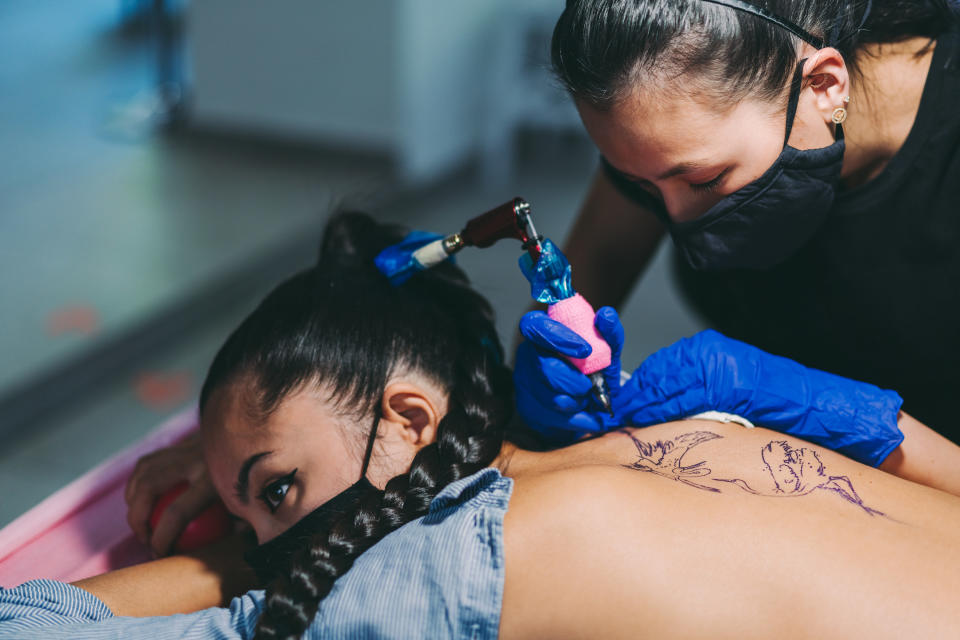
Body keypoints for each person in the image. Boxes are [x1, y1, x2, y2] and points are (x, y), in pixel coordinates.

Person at [4, 213, 960, 640]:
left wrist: (242, 563)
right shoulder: (695, 432)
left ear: (411, 417)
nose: (274, 543)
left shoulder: (462, 566)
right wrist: (266, 484)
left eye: (279, 490)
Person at [516, 0, 960, 444]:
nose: (674, 218)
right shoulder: (664, 149)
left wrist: (810, 402)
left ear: (823, 85)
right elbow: (601, 261)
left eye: (706, 180)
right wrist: (551, 365)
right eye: (641, 187)